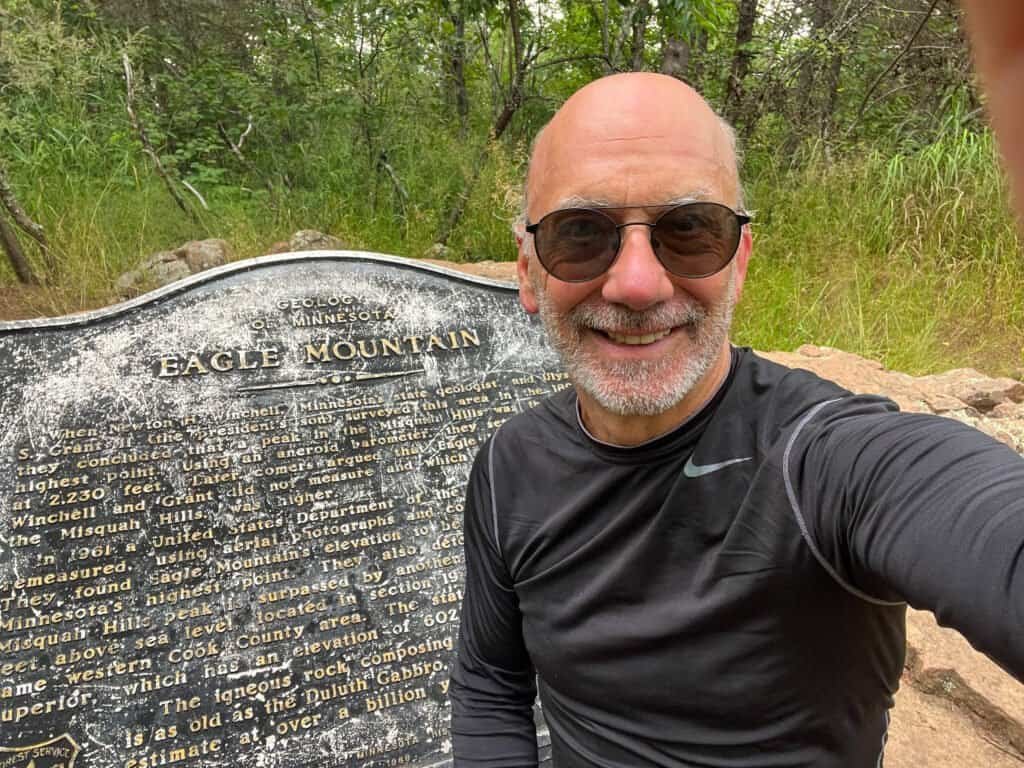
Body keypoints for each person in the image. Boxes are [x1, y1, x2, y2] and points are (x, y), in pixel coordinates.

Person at [449, 8, 1024, 766]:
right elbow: (489, 679)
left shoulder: (826, 458)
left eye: (689, 229)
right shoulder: (506, 468)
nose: (636, 283)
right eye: (580, 233)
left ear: (740, 262)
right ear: (529, 271)